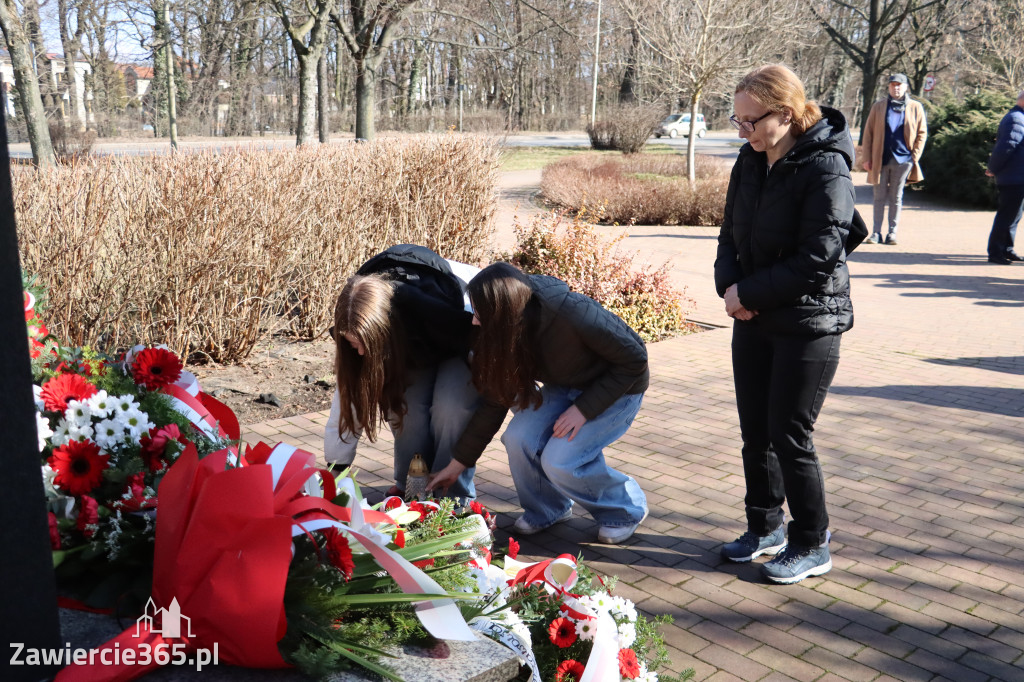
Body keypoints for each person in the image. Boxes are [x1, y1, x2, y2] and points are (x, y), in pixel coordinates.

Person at [715, 64, 855, 584]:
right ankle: (765, 527)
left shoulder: (826, 166)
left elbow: (820, 254)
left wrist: (747, 293)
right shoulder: (748, 161)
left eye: (751, 121)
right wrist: (731, 290)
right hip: (752, 316)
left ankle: (812, 542)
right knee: (756, 432)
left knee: (789, 434)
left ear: (787, 113)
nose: (743, 130)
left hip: (809, 321)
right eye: (738, 119)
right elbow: (729, 233)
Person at [426, 263, 649, 544]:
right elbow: (496, 400)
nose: (474, 321)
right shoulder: (503, 331)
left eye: (480, 313)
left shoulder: (572, 312)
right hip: (566, 386)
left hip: (619, 389)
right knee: (519, 438)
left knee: (559, 460)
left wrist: (584, 410)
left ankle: (626, 508)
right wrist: (458, 464)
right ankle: (549, 509)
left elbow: (635, 359)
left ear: (502, 311)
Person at [326, 244, 479, 500]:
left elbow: (492, 360)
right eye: (353, 344)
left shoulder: (442, 314)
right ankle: (412, 489)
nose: (360, 353)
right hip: (410, 348)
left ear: (384, 331)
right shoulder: (356, 314)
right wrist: (336, 470)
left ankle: (451, 496)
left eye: (364, 345)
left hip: (458, 342)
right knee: (406, 408)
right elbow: (347, 401)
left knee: (451, 407)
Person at [861, 73, 928, 245]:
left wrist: (915, 156)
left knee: (896, 197)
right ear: (889, 87)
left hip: (903, 160)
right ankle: (876, 233)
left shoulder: (915, 107)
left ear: (906, 87)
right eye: (892, 85)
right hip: (880, 159)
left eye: (899, 85)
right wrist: (867, 157)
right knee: (878, 197)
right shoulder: (879, 106)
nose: (896, 88)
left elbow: (922, 133)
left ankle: (892, 233)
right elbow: (868, 133)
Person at [984, 90, 1024, 265]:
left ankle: (1007, 248)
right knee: (1006, 216)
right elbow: (1006, 147)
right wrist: (992, 168)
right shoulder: (1016, 119)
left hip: (1018, 176)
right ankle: (995, 252)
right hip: (1013, 177)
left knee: (1014, 215)